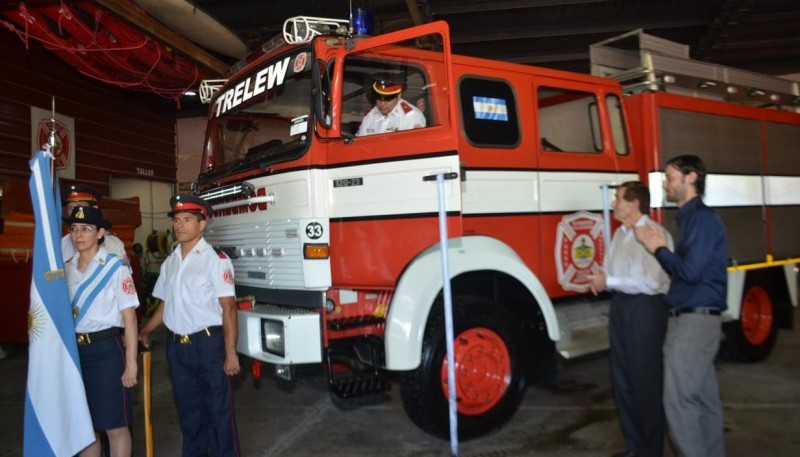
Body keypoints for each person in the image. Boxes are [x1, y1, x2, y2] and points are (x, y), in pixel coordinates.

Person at [635, 155, 728, 457]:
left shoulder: (701, 219)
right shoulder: (691, 219)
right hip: (696, 320)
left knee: (678, 401)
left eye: (670, 178)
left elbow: (690, 271)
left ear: (691, 179)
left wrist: (658, 249)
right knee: (703, 400)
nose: (665, 184)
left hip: (693, 323)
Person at [138, 194, 241, 457]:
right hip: (178, 349)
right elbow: (165, 305)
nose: (179, 225)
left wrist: (231, 353)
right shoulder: (171, 262)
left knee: (219, 412)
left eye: (187, 219)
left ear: (202, 224)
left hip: (208, 347)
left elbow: (229, 308)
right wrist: (147, 330)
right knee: (189, 413)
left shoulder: (215, 260)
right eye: (176, 220)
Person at [586, 181, 672, 457]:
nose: (614, 204)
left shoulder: (654, 233)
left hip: (645, 311)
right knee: (622, 382)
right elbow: (612, 271)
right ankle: (634, 448)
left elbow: (650, 281)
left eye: (619, 199)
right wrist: (602, 280)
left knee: (645, 383)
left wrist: (608, 280)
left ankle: (651, 451)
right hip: (621, 309)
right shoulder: (620, 235)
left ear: (635, 204)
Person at [64, 206, 139, 457]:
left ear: (100, 233)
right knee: (86, 429)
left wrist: (131, 364)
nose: (78, 235)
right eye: (73, 229)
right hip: (76, 353)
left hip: (107, 352)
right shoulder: (66, 268)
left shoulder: (115, 268)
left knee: (115, 426)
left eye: (85, 229)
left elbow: (130, 319)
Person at [61, 183, 127, 262]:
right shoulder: (62, 245)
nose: (75, 212)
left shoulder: (113, 245)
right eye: (71, 208)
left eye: (80, 207)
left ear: (94, 209)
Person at [357, 73, 426, 136]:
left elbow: (413, 147)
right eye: (379, 98)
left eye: (388, 99)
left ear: (399, 96)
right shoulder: (371, 114)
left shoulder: (411, 117)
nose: (382, 104)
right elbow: (359, 141)